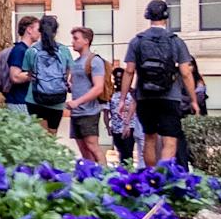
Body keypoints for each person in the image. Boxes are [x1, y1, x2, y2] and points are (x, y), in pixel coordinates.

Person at [123, 0, 197, 166]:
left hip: (145, 96)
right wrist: (193, 99)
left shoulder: (137, 41)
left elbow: (129, 71)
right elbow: (186, 73)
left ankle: (150, 176)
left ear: (148, 16)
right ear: (166, 17)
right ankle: (163, 176)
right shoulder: (175, 41)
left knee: (149, 137)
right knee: (170, 140)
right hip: (170, 96)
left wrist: (122, 99)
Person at [63, 25, 113, 162]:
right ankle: (90, 172)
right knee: (83, 149)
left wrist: (77, 102)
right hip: (76, 112)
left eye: (76, 38)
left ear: (86, 41)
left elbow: (98, 88)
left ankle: (104, 172)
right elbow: (75, 85)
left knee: (93, 146)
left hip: (89, 112)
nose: (73, 42)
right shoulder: (76, 63)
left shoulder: (94, 61)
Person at [24, 14, 73, 133]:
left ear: (40, 30)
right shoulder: (64, 51)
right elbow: (69, 73)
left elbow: (29, 73)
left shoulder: (32, 51)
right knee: (51, 136)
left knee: (40, 137)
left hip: (35, 98)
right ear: (55, 32)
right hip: (57, 99)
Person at [0, 15, 38, 111]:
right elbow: (15, 76)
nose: (40, 32)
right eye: (38, 29)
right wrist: (36, 74)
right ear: (29, 30)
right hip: (18, 103)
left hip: (23, 102)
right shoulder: (20, 50)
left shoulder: (26, 50)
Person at [105, 67, 143, 167]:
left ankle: (128, 170)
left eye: (120, 78)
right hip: (116, 127)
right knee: (121, 152)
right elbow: (107, 112)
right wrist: (108, 126)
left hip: (129, 126)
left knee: (128, 152)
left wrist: (128, 123)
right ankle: (123, 170)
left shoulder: (131, 93)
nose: (118, 80)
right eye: (116, 78)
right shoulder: (111, 94)